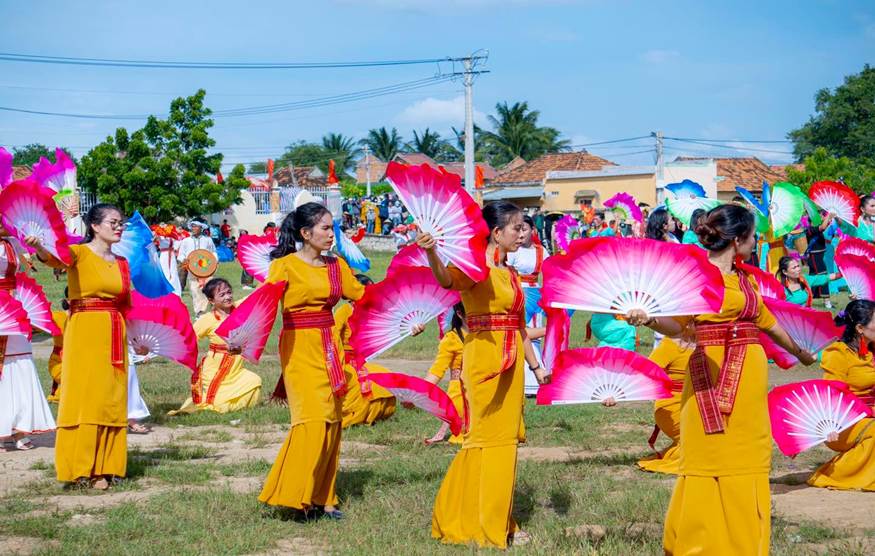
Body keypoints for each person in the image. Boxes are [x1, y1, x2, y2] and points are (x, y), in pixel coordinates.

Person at [626, 203, 816, 555]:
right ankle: (701, 544)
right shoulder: (696, 276)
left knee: (748, 456)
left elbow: (766, 320)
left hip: (749, 383)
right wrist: (648, 319)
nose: (756, 240)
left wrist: (799, 351)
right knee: (711, 455)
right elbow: (678, 324)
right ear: (738, 238)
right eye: (753, 235)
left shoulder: (745, 278)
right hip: (710, 377)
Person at [419, 200, 549, 549]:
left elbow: (520, 327)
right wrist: (432, 253)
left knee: (505, 444)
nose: (524, 233)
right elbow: (446, 280)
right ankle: (471, 518)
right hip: (484, 360)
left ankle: (500, 518)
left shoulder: (510, 274)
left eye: (525, 227)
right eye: (517, 227)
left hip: (513, 363)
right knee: (484, 441)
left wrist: (537, 367)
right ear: (497, 233)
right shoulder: (474, 267)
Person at [258, 203, 365, 520]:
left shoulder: (337, 266)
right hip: (298, 347)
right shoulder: (285, 266)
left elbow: (363, 296)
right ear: (305, 233)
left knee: (333, 420)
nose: (331, 234)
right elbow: (263, 305)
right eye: (325, 228)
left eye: (332, 228)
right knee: (312, 420)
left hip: (330, 345)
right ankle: (295, 497)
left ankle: (325, 498)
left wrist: (401, 316)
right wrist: (239, 336)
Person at [35, 203, 133, 489]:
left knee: (110, 396)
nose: (118, 227)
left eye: (120, 222)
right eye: (113, 222)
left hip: (115, 331)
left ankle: (107, 466)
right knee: (86, 395)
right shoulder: (79, 253)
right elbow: (54, 258)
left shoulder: (122, 263)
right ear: (94, 225)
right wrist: (39, 246)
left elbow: (126, 303)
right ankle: (80, 468)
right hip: (85, 330)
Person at [807, 300, 875, 491]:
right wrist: (831, 423)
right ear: (860, 328)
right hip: (842, 422)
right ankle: (833, 475)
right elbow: (832, 394)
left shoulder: (872, 350)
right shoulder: (838, 354)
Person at [169, 278, 262, 415]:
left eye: (229, 292)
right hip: (215, 371)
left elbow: (258, 295)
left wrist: (269, 273)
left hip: (236, 369)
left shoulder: (239, 308)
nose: (228, 297)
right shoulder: (208, 319)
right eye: (222, 295)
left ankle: (232, 407)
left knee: (254, 381)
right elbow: (188, 338)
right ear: (212, 301)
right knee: (213, 404)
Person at [0, 224, 56, 451]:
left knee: (20, 362)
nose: (7, 224)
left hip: (13, 307)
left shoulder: (12, 244)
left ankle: (20, 427)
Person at [335, 274, 400, 429]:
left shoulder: (371, 313)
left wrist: (413, 329)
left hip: (362, 361)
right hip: (344, 360)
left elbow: (391, 328)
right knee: (363, 380)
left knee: (384, 375)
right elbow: (333, 336)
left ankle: (377, 412)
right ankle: (353, 415)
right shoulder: (344, 310)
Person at [424, 303, 467, 445]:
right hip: (460, 391)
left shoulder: (484, 335)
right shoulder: (451, 339)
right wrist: (420, 391)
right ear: (460, 314)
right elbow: (437, 370)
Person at [176, 219, 217, 316]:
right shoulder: (186, 241)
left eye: (196, 226)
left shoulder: (208, 240)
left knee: (209, 289)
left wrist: (215, 260)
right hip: (192, 269)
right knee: (195, 290)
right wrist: (183, 260)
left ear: (201, 228)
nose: (193, 228)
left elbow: (214, 252)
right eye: (192, 226)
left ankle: (212, 309)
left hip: (207, 269)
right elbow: (180, 254)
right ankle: (199, 312)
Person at [775, 256, 842, 307]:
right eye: (794, 268)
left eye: (798, 266)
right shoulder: (780, 289)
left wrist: (843, 272)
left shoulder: (804, 279)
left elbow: (825, 278)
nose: (798, 269)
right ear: (785, 272)